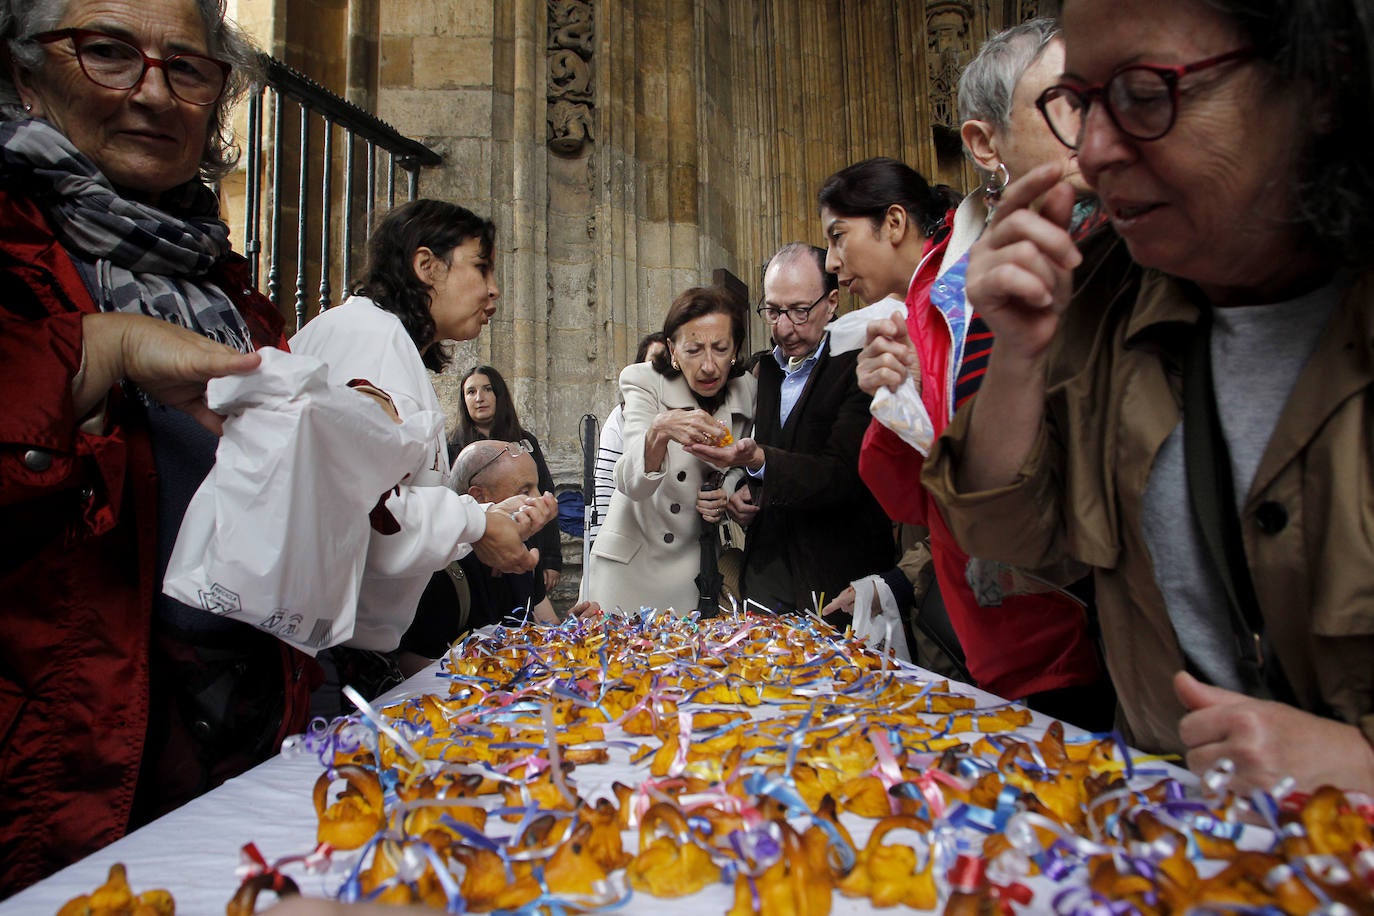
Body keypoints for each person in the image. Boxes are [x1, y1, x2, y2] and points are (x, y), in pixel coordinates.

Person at [924, 0, 1374, 793]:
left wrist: (1357, 768)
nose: (1094, 156)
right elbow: (1010, 538)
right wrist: (1019, 356)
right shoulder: (1104, 295)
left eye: (1143, 93)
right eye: (1081, 104)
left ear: (1317, 81)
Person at [0, 0, 308, 893]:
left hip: (226, 761)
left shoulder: (231, 293)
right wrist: (101, 351)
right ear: (25, 71)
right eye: (106, 52)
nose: (151, 92)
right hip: (55, 786)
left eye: (188, 68)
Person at [823, 153, 1114, 731]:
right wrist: (895, 397)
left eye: (838, 237)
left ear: (896, 223)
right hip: (995, 606)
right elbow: (916, 490)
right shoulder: (922, 298)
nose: (833, 263)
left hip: (1039, 604)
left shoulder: (959, 289)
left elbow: (973, 468)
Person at [289, 201, 555, 711]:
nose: (493, 288)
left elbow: (396, 497)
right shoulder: (370, 342)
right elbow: (364, 512)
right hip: (318, 655)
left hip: (340, 649)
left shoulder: (384, 344)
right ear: (426, 265)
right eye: (481, 266)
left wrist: (482, 521)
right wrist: (476, 525)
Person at [688, 243, 892, 614]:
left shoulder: (862, 365)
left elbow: (844, 474)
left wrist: (762, 461)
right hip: (767, 575)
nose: (783, 327)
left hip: (838, 576)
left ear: (831, 302)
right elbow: (752, 455)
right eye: (773, 311)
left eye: (799, 311)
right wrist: (742, 490)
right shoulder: (763, 372)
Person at [585, 286, 756, 613]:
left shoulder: (747, 391)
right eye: (694, 350)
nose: (709, 366)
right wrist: (659, 429)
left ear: (735, 349)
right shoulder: (643, 381)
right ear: (672, 351)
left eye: (720, 349)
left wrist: (728, 491)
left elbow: (740, 462)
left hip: (690, 572)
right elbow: (629, 482)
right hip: (629, 568)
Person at [400, 440, 600, 670]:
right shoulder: (442, 567)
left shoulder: (524, 550)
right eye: (525, 491)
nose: (541, 501)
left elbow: (547, 623)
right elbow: (408, 662)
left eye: (537, 488)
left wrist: (573, 628)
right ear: (479, 498)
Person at [452, 364, 564, 596]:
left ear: (499, 395)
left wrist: (551, 559)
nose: (479, 398)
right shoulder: (451, 446)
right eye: (471, 392)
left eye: (487, 389)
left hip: (526, 549)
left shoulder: (524, 441)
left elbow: (544, 495)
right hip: (475, 554)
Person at [589, 331, 666, 546]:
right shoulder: (621, 416)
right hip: (633, 535)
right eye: (653, 363)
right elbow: (604, 483)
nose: (660, 372)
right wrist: (600, 540)